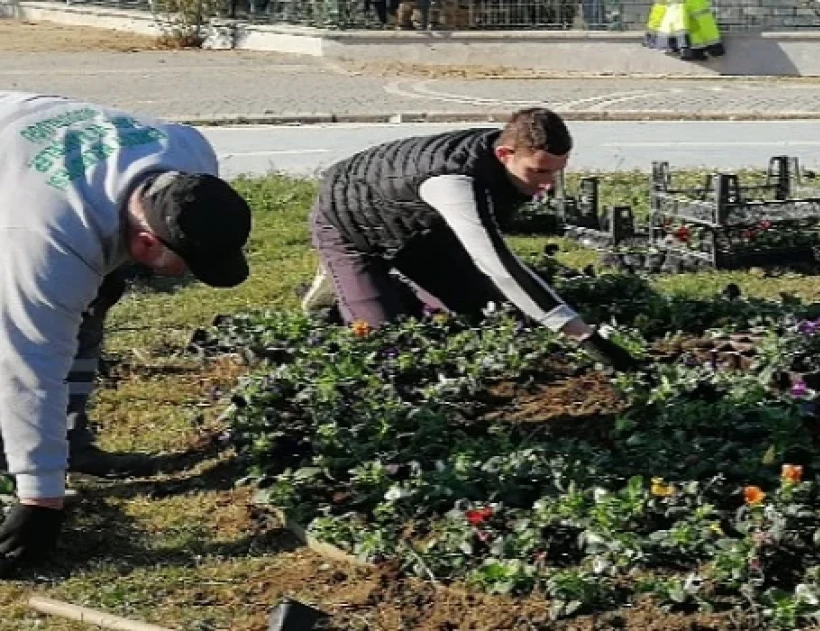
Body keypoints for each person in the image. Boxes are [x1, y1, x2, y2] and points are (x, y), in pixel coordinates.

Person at [0, 91, 254, 576]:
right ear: (144, 241)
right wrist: (39, 500)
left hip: (36, 156)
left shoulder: (190, 150)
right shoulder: (45, 236)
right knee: (27, 333)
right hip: (20, 179)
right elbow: (29, 363)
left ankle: (67, 443)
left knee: (90, 305)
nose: (188, 278)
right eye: (186, 267)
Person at [302, 107, 639, 369]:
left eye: (556, 170)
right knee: (385, 345)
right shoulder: (455, 182)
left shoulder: (505, 156)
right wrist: (584, 336)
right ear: (505, 154)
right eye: (539, 171)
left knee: (485, 313)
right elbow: (500, 266)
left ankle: (399, 284)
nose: (549, 183)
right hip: (350, 218)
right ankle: (337, 286)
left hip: (418, 226)